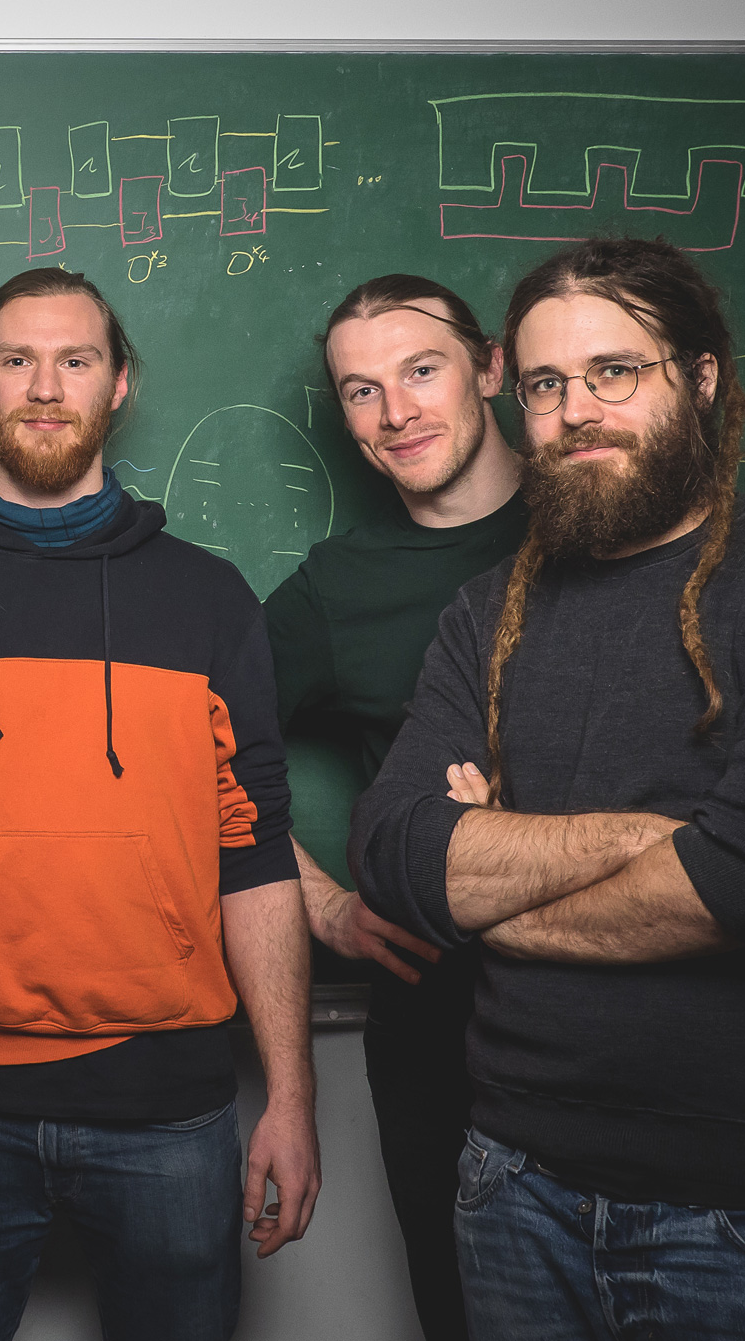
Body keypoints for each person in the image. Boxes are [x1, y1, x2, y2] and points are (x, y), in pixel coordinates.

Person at [350, 237, 745, 1338]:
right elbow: (398, 858)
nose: (577, 412)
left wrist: (497, 888)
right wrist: (667, 842)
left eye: (615, 372)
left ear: (698, 378)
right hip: (513, 1187)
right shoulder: (480, 618)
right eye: (548, 385)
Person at [0, 267, 318, 1341]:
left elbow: (254, 854)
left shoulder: (209, 601)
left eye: (74, 360)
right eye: (15, 360)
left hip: (170, 1111)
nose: (45, 387)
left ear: (119, 384)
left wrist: (290, 1094)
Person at [264, 274, 524, 1341]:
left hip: (648, 1014)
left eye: (420, 371)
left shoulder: (611, 517)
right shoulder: (337, 588)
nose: (396, 413)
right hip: (442, 1027)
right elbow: (181, 750)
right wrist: (318, 904)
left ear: (491, 366)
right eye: (359, 392)